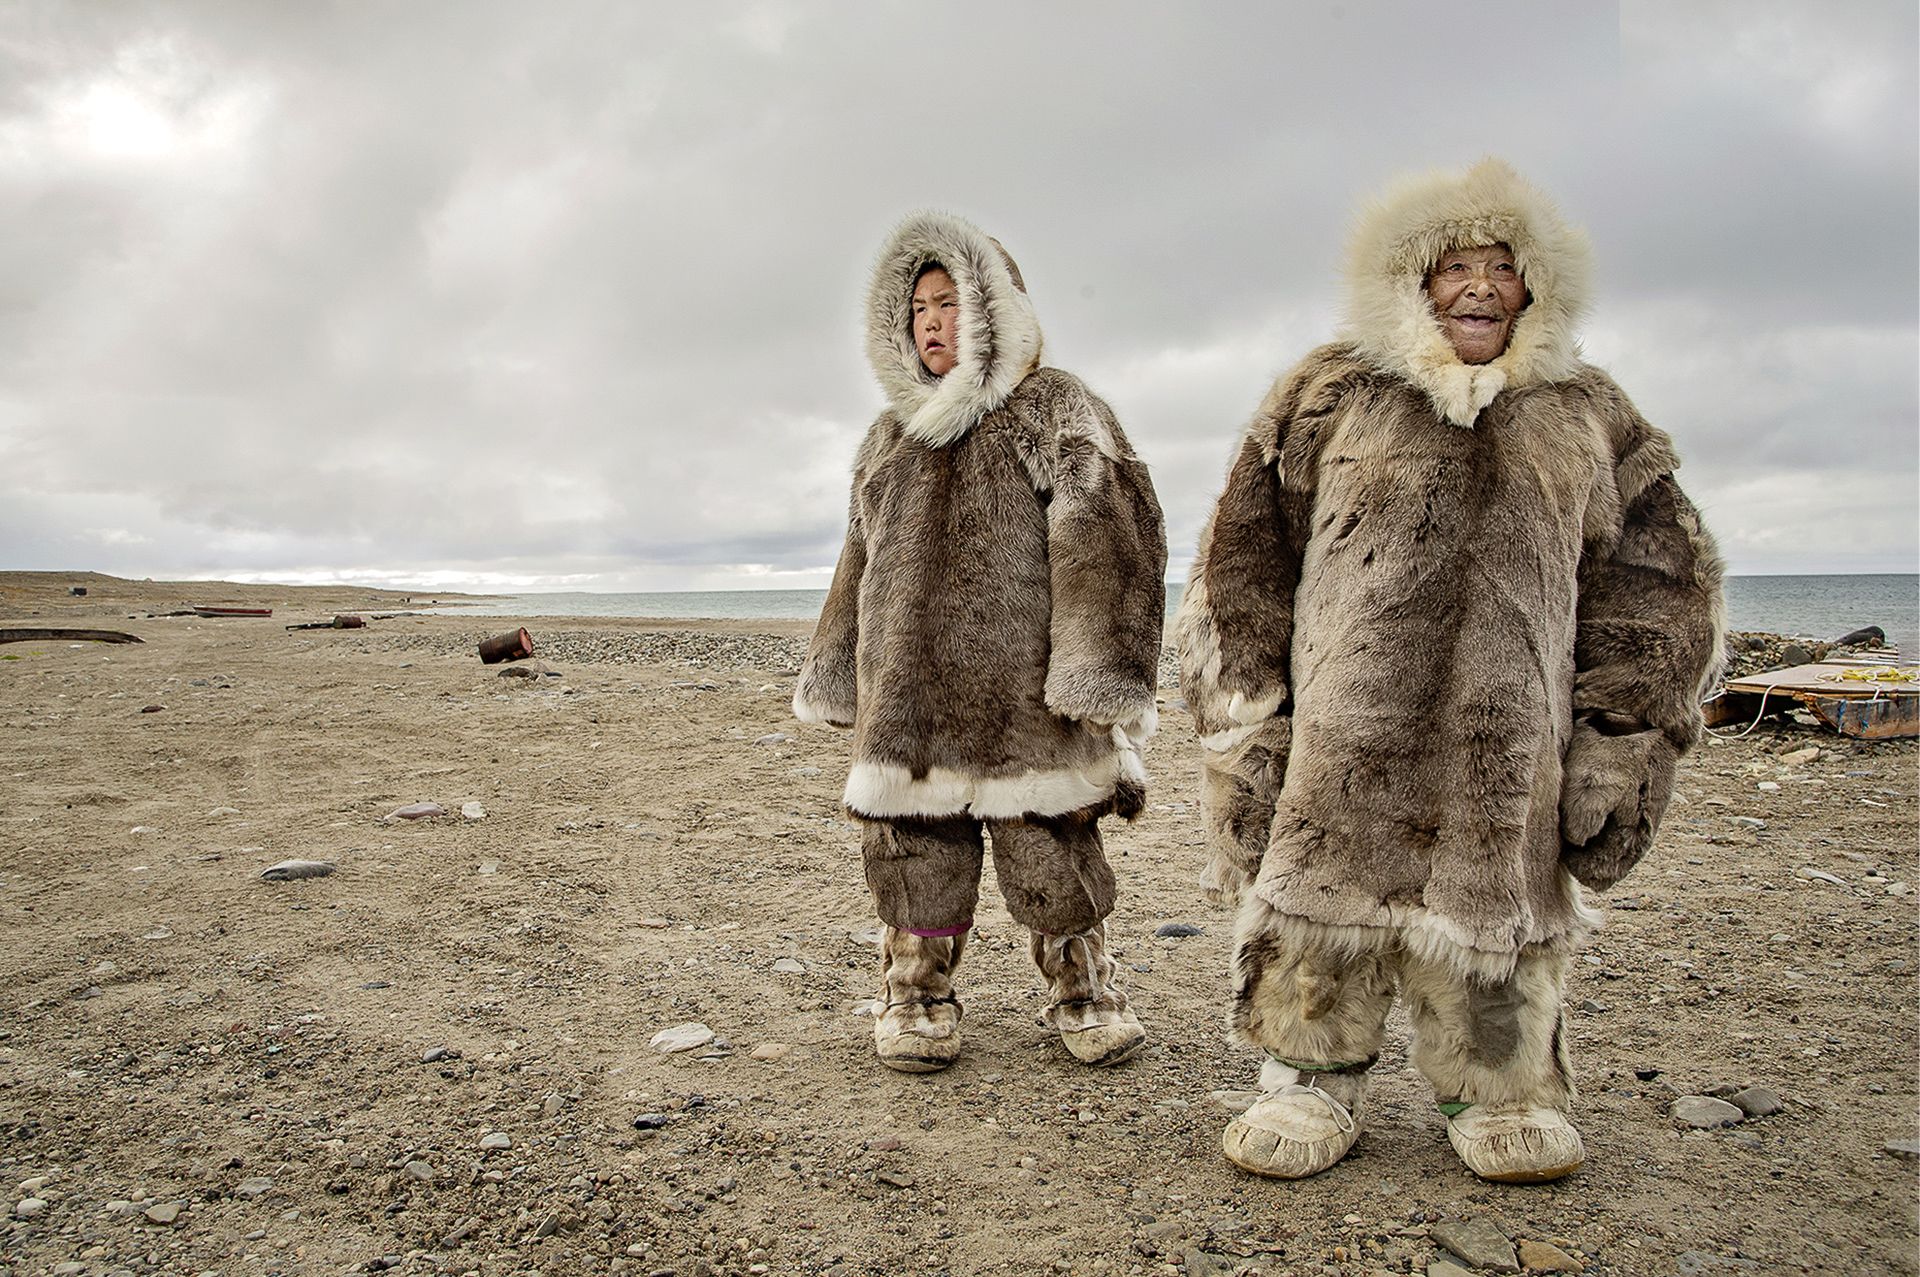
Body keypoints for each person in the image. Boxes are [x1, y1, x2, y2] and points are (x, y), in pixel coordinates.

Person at [1175, 159, 1724, 1182]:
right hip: (1345, 732)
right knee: (1319, 900)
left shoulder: (1592, 416)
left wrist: (1623, 739)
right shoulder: (1328, 392)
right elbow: (1240, 559)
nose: (1478, 287)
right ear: (1412, 280)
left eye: (1501, 267)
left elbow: (1657, 590)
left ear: (1537, 286)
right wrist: (1244, 717)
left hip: (1509, 743)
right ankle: (1304, 1073)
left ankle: (1497, 1084)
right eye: (1454, 266)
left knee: (1495, 913)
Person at [795, 210, 1167, 1072]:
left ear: (999, 313)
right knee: (912, 843)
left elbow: (1111, 539)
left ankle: (1083, 982)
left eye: (952, 302)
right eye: (919, 306)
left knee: (1051, 837)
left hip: (1024, 689)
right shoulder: (889, 437)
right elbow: (859, 558)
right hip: (908, 693)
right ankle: (916, 986)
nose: (932, 321)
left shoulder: (1054, 406)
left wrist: (1100, 669)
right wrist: (837, 669)